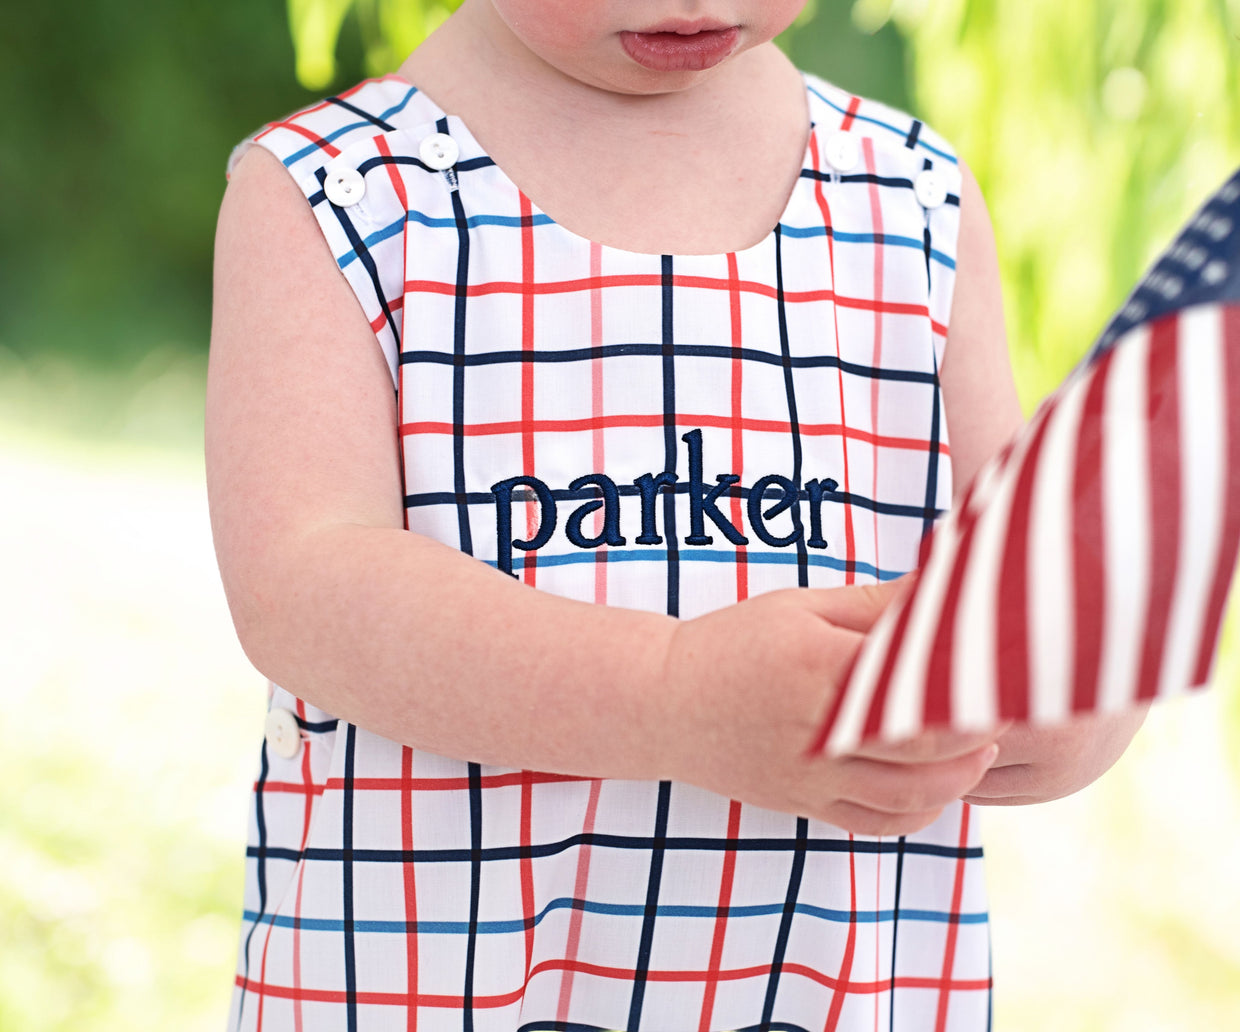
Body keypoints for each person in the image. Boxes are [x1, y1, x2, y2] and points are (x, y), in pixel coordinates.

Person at [207, 1, 1149, 1028]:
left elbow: (1009, 578)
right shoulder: (335, 194)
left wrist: (1055, 691)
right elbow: (302, 586)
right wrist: (669, 696)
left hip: (827, 986)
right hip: (446, 981)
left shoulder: (911, 197)